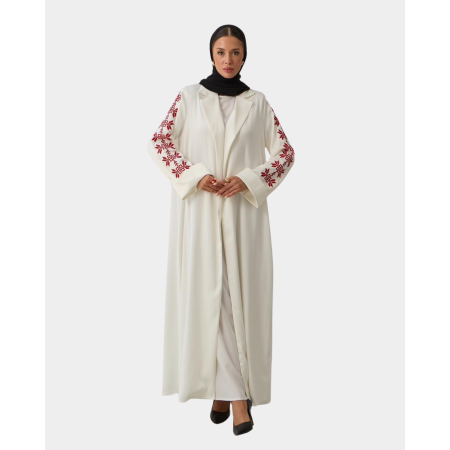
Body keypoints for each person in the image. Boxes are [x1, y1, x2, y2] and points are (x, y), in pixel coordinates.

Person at [146, 24, 295, 436]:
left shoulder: (257, 102)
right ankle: (234, 396)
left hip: (243, 216)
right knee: (211, 296)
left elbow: (285, 152)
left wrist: (249, 179)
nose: (228, 60)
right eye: (221, 52)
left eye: (235, 52)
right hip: (200, 213)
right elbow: (160, 142)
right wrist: (196, 176)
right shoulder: (189, 97)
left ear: (245, 56)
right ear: (210, 54)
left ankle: (226, 393)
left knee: (234, 296)